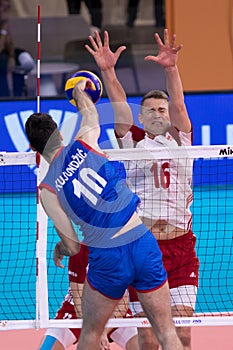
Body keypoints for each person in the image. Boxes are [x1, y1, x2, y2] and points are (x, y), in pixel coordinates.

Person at [25, 78, 183, 350]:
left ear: (34, 150)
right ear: (60, 134)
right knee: (167, 333)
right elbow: (90, 114)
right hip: (141, 240)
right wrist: (79, 92)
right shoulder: (84, 143)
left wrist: (62, 245)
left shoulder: (47, 191)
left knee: (89, 334)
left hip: (107, 254)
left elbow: (74, 246)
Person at [85, 29, 199, 349]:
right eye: (150, 110)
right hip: (143, 249)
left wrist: (171, 69)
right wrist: (107, 70)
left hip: (181, 252)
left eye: (161, 110)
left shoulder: (181, 141)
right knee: (147, 338)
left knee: (184, 335)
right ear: (141, 116)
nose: (158, 114)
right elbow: (119, 103)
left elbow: (177, 102)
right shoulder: (133, 140)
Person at [39, 241, 139, 350]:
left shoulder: (121, 254)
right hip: (77, 310)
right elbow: (79, 302)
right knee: (46, 348)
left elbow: (122, 305)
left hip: (113, 310)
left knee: (141, 345)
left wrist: (103, 331)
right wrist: (95, 333)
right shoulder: (80, 252)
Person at [0, 0, 34, 96]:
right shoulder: (3, 25)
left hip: (5, 52)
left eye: (8, 7)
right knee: (2, 62)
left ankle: (19, 93)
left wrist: (11, 57)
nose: (6, 10)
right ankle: (4, 96)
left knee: (22, 56)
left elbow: (9, 43)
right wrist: (3, 30)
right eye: (3, 7)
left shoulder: (4, 22)